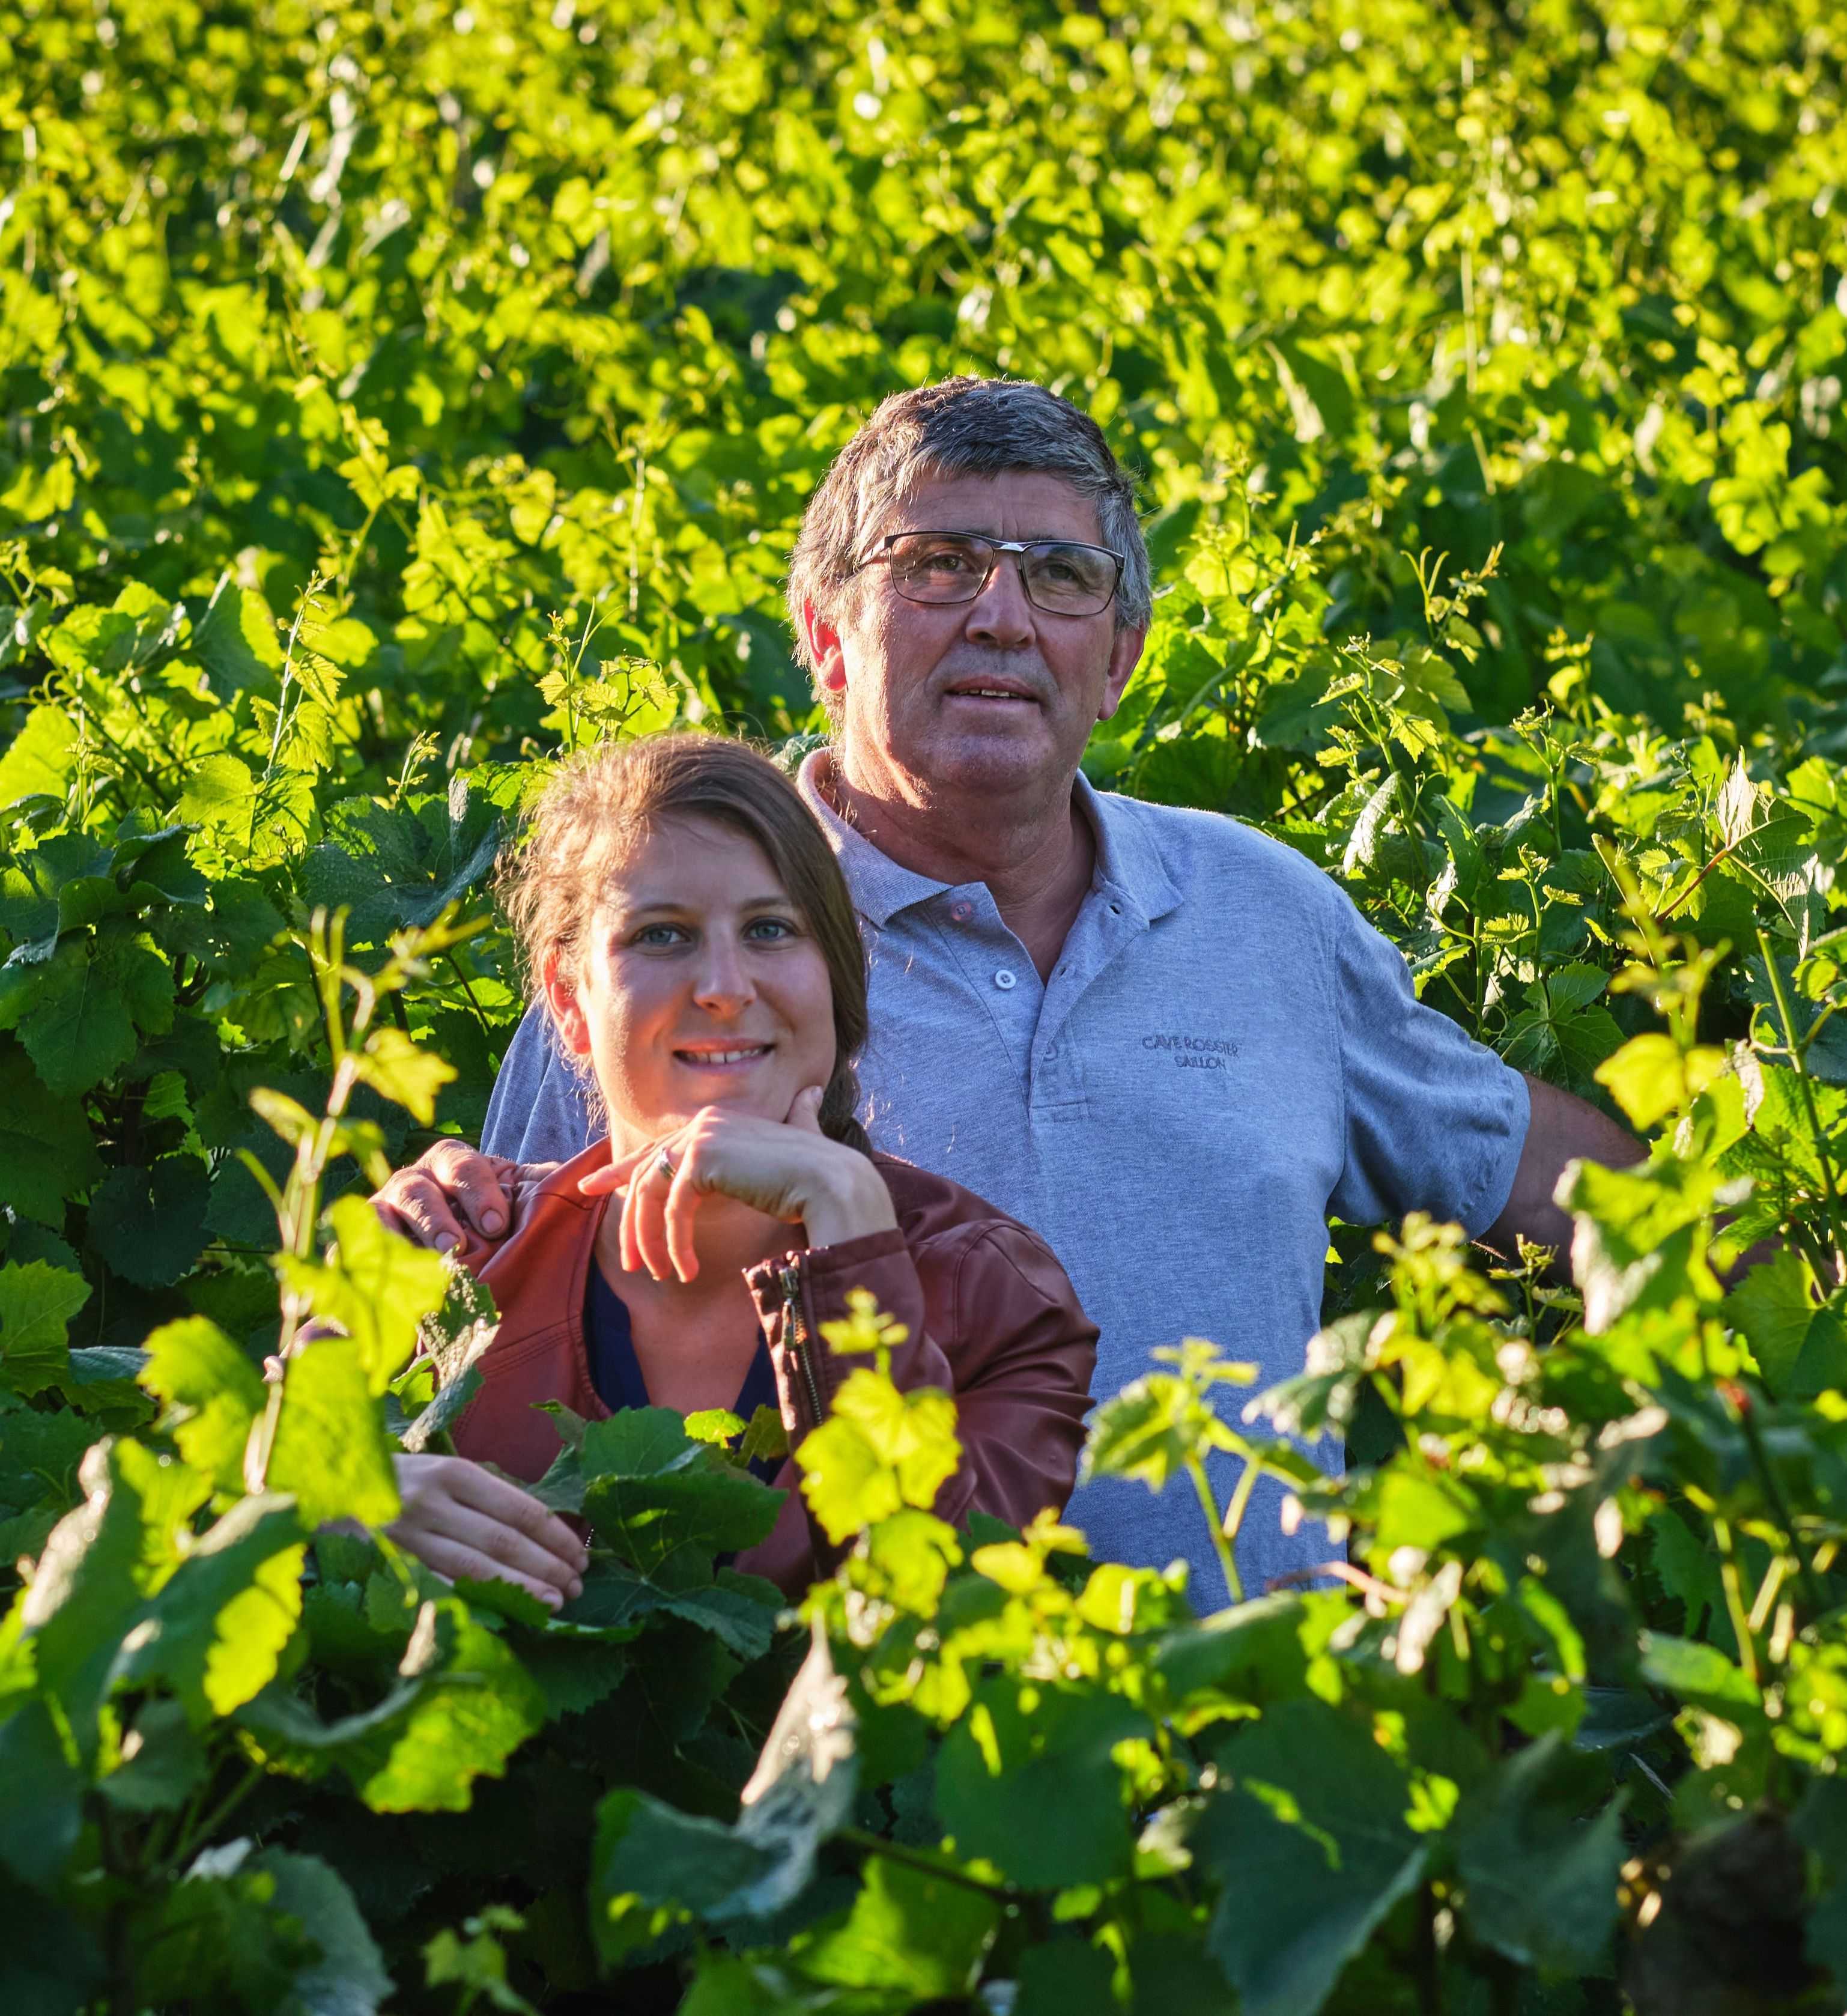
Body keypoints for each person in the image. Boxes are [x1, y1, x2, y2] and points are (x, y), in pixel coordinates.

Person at [376, 376, 1640, 1606]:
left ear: (1120, 658)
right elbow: (505, 1355)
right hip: (849, 1756)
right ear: (824, 636)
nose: (999, 615)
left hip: (1256, 1740)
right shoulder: (687, 973)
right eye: (934, 563)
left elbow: (1537, 1174)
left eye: (1061, 577)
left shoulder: (1263, 911)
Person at [383, 732, 1098, 1609]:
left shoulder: (996, 1297)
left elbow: (942, 1618)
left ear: (837, 978)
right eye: (661, 936)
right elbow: (229, 1512)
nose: (724, 986)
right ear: (569, 1002)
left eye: (770, 930)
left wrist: (850, 1232)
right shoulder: (444, 1258)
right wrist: (339, 1507)